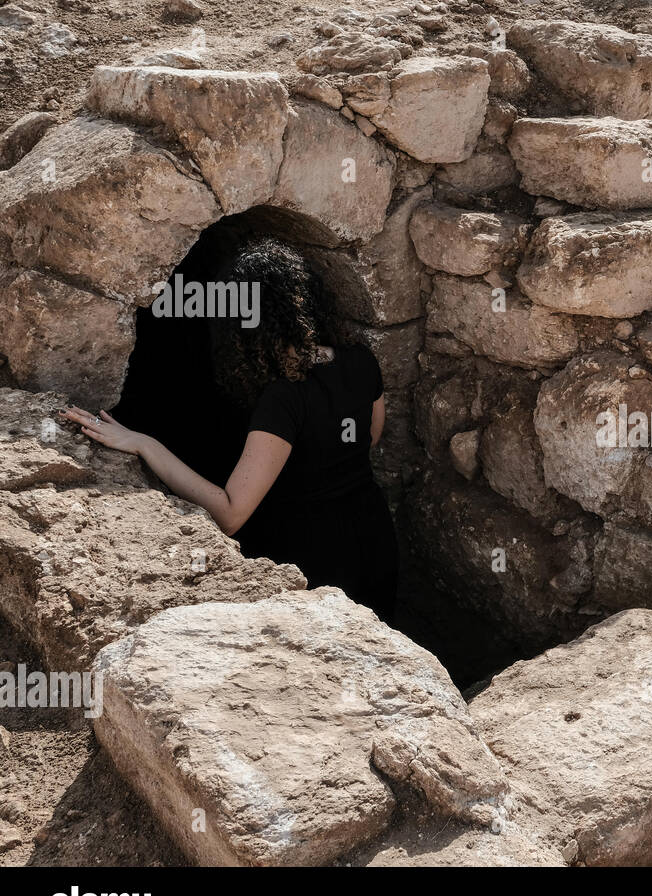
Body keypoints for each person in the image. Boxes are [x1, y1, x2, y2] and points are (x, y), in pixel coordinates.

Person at [62, 239, 399, 619]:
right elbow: (368, 438)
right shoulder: (361, 361)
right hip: (375, 540)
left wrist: (144, 443)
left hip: (317, 563)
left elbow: (230, 514)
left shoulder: (284, 398)